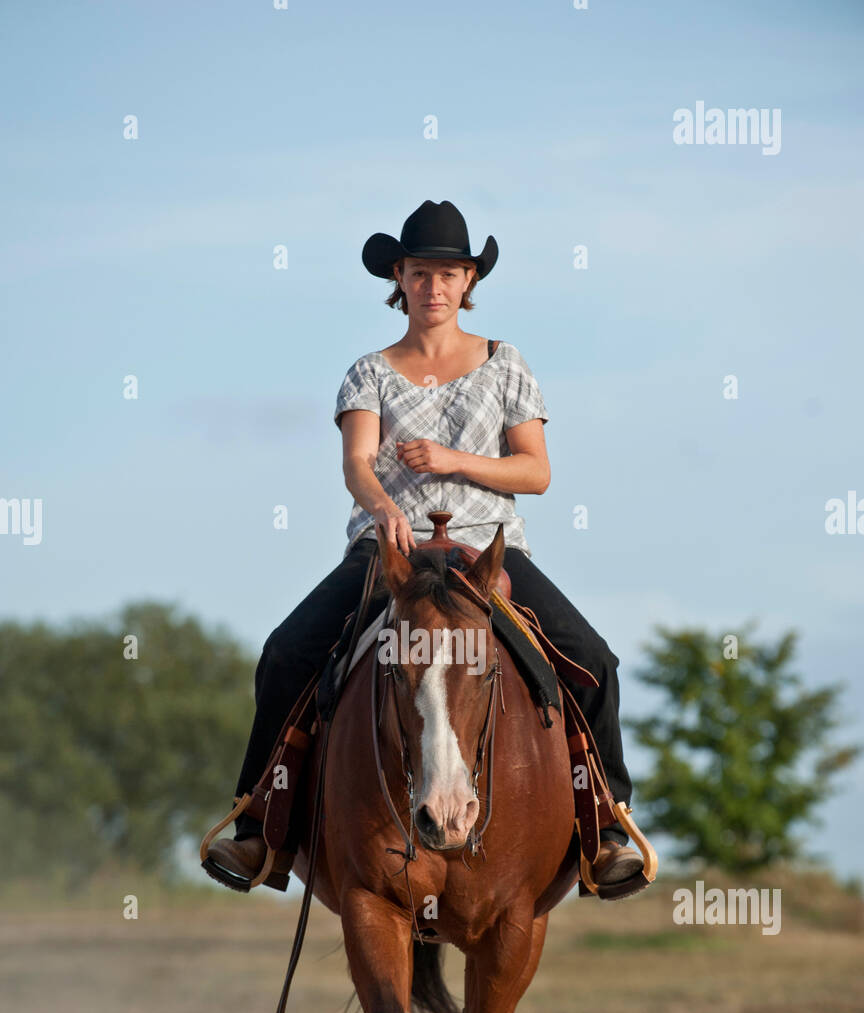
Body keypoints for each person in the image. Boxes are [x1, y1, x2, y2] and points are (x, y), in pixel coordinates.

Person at [205, 199, 645, 892]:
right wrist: (382, 510)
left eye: (449, 273)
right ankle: (258, 828)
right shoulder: (367, 371)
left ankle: (605, 830)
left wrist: (451, 460)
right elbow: (358, 463)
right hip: (390, 558)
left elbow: (536, 472)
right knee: (285, 652)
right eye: (420, 273)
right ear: (399, 280)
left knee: (593, 660)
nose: (434, 287)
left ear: (469, 281)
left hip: (486, 560)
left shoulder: (507, 365)